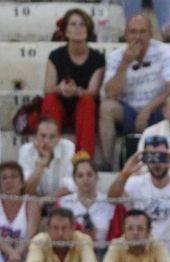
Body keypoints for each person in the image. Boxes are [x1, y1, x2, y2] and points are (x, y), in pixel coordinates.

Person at [99, 14, 170, 167]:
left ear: (151, 34)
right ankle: (107, 162)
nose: (137, 37)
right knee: (106, 107)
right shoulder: (116, 56)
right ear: (126, 34)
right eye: (133, 32)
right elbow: (111, 94)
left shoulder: (163, 51)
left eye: (142, 32)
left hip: (157, 108)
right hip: (128, 110)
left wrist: (147, 110)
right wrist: (125, 64)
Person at [110, 134, 170, 262]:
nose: (157, 163)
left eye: (161, 156)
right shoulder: (136, 183)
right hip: (144, 251)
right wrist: (125, 172)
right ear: (145, 158)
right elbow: (112, 198)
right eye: (151, 157)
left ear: (169, 156)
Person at [42, 8, 106, 156]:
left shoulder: (97, 58)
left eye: (82, 24)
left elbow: (93, 91)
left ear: (88, 29)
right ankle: (49, 153)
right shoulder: (56, 56)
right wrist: (61, 89)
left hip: (84, 110)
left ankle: (83, 157)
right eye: (73, 24)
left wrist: (76, 91)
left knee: (87, 101)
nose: (78, 28)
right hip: (61, 109)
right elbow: (48, 89)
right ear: (66, 31)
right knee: (50, 100)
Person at [58, 155, 119, 257]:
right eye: (80, 176)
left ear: (97, 177)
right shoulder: (63, 204)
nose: (85, 179)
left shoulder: (110, 203)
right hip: (71, 253)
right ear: (74, 179)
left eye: (89, 175)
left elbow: (117, 236)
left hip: (104, 254)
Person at [0, 162, 36, 262]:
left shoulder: (31, 203)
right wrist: (11, 253)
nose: (9, 181)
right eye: (4, 178)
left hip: (23, 255)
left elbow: (31, 235)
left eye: (14, 176)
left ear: (22, 183)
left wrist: (16, 255)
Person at [24, 206, 99, 262]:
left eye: (64, 228)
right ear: (48, 229)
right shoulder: (39, 240)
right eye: (55, 228)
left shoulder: (83, 240)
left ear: (73, 228)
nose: (60, 233)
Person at [102, 209, 170, 262]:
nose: (135, 233)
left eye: (140, 228)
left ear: (149, 232)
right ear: (124, 231)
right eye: (130, 228)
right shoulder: (116, 244)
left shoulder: (157, 245)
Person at [17, 116, 77, 198]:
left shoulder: (69, 148)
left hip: (62, 200)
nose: (47, 141)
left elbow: (72, 185)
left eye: (52, 137)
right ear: (35, 136)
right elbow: (26, 190)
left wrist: (46, 200)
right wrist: (40, 166)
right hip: (34, 201)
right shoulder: (26, 151)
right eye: (43, 136)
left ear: (59, 138)